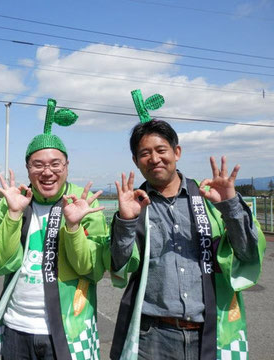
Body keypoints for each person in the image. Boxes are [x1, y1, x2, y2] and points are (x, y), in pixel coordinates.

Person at [109, 118, 265, 360]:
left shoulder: (209, 199)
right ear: (135, 161)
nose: (154, 159)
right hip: (151, 335)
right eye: (144, 153)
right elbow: (119, 265)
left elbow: (247, 253)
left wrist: (230, 206)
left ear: (177, 152)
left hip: (212, 331)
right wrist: (126, 221)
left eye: (161, 150)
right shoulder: (135, 205)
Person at [0, 99, 110, 360]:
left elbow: (91, 269)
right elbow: (0, 261)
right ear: (28, 168)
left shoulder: (83, 204)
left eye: (55, 164)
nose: (47, 172)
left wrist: (73, 226)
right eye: (38, 165)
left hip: (70, 328)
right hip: (16, 327)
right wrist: (14, 214)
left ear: (66, 166)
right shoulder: (14, 201)